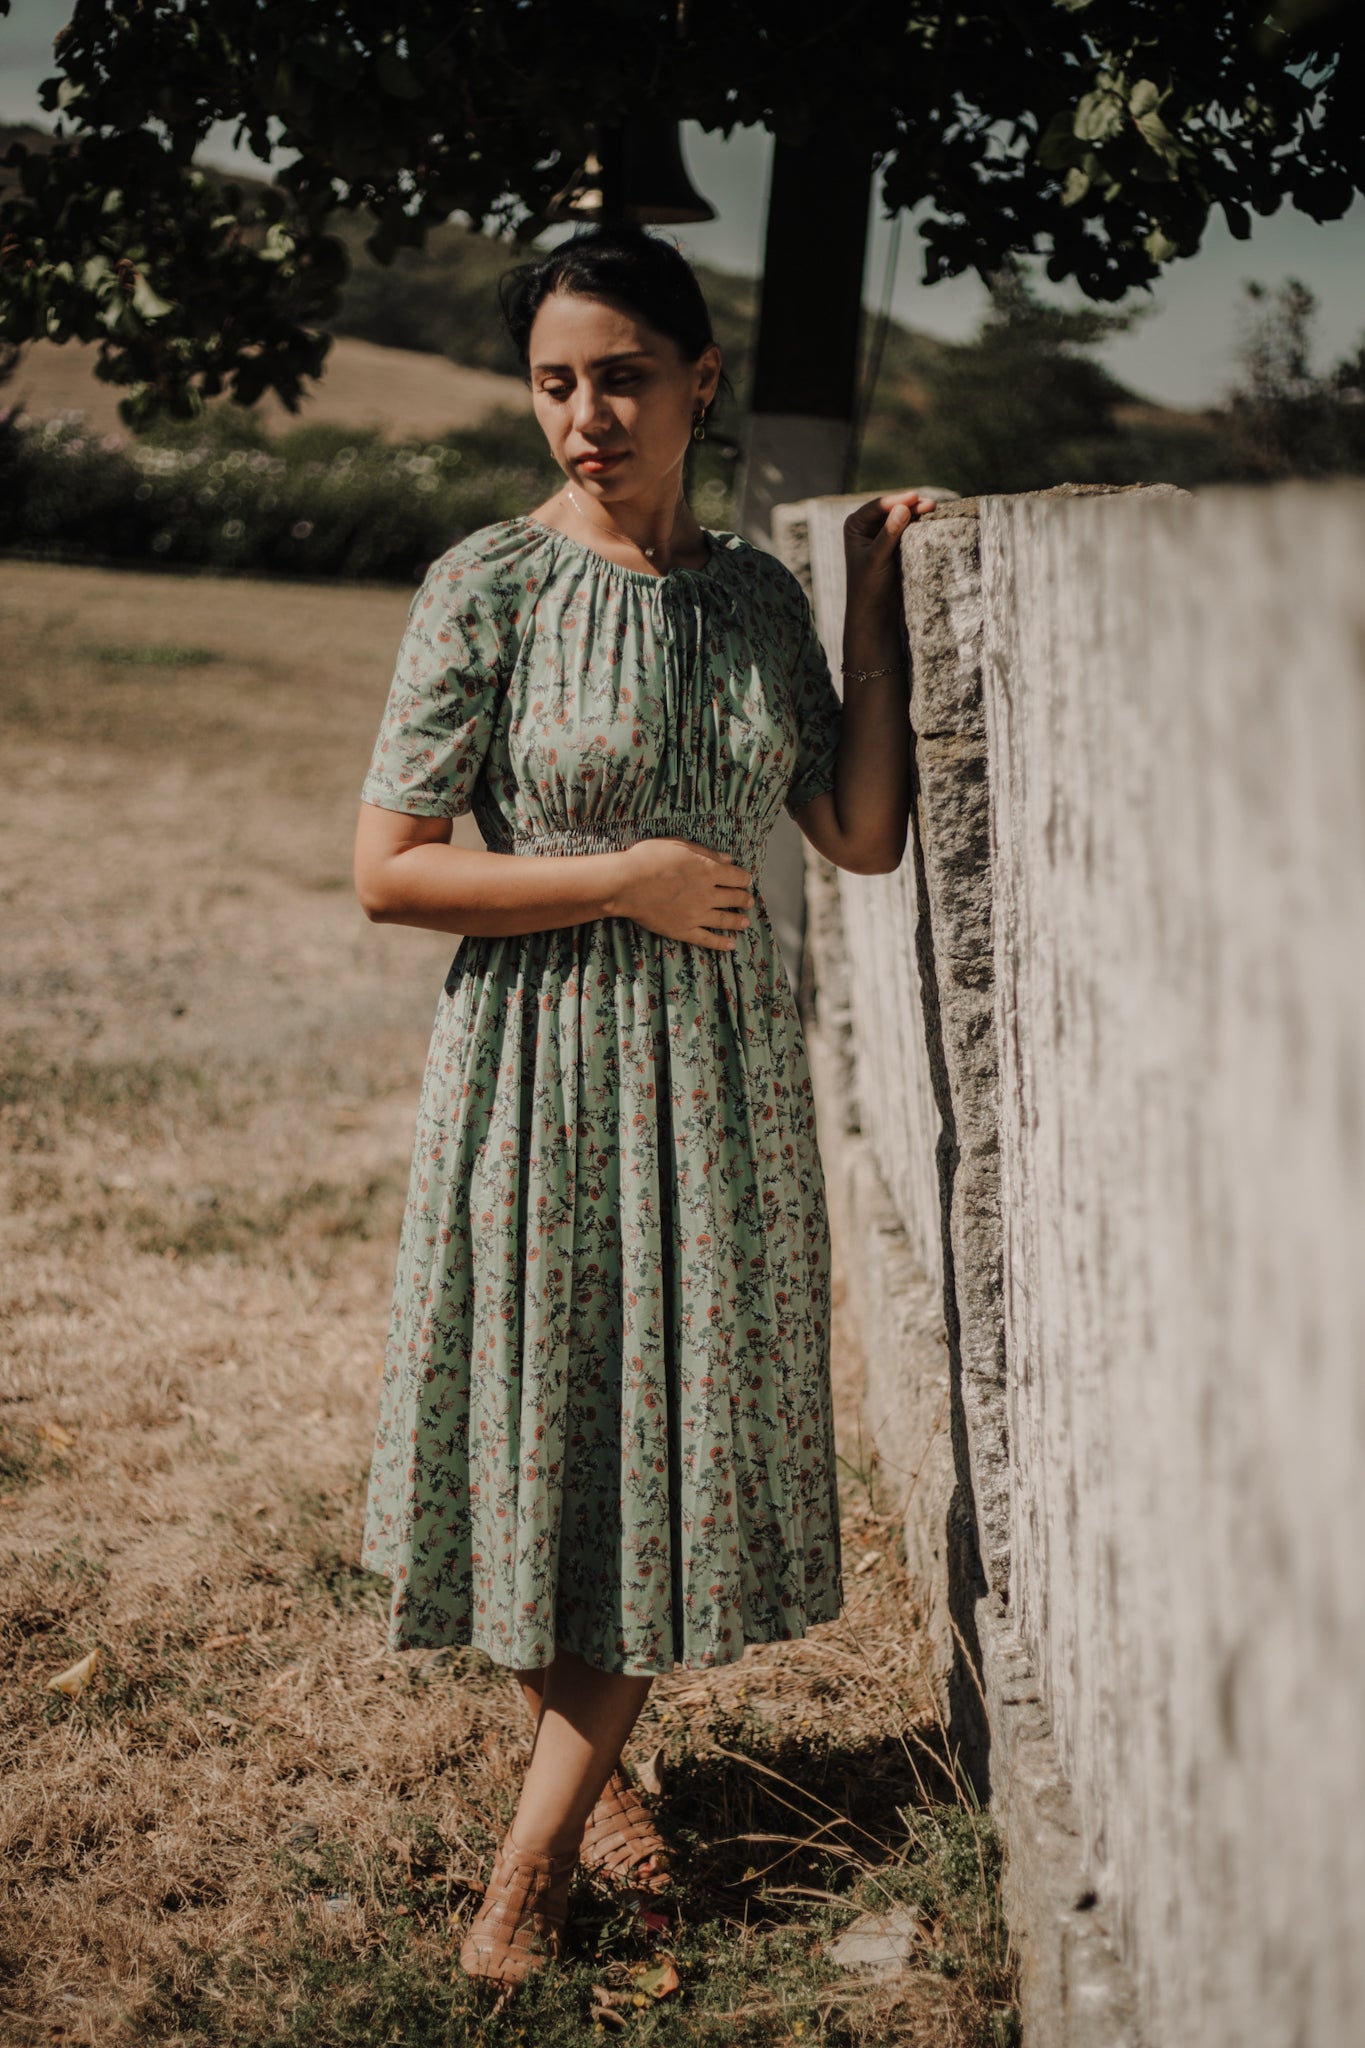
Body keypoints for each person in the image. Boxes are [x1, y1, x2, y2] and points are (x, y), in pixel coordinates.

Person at [352, 221, 933, 1985]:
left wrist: (869, 610)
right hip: (540, 1068)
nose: (586, 416)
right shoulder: (488, 589)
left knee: (661, 1451)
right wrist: (623, 876)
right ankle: (581, 1814)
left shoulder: (755, 597)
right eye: (554, 383)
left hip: (720, 1084)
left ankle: (528, 1865)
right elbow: (388, 875)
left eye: (620, 376)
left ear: (699, 381)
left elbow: (855, 833)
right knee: (542, 1442)